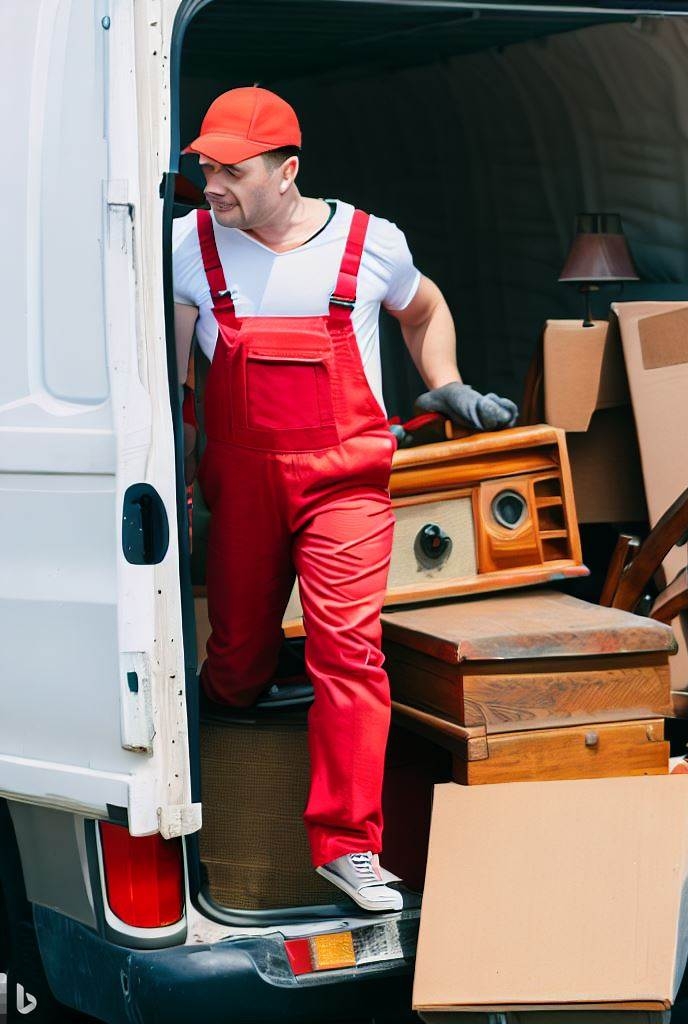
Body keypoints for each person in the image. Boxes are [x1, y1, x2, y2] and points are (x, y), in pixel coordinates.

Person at [172, 87, 517, 912]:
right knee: (237, 661)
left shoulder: (370, 242)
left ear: (287, 171)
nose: (212, 184)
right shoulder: (188, 245)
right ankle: (219, 758)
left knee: (350, 653)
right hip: (242, 479)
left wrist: (449, 385)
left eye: (232, 169)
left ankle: (349, 847)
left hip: (346, 480)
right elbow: (175, 364)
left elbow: (423, 307)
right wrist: (172, 472)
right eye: (205, 166)